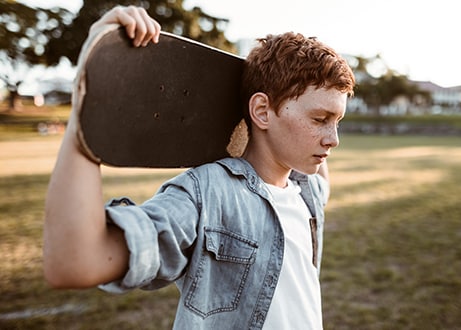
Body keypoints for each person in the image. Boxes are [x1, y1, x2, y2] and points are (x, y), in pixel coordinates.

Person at [43, 5, 355, 329]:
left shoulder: (308, 189)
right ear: (261, 111)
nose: (333, 139)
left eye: (338, 121)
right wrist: (88, 97)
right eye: (320, 120)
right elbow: (75, 263)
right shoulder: (206, 196)